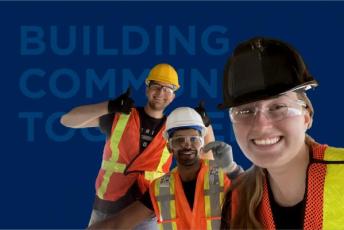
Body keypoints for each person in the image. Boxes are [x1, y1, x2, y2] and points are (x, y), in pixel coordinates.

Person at [60, 63, 215, 228]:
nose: (161, 93)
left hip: (148, 210)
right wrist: (109, 106)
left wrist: (206, 125)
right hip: (107, 205)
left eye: (168, 89)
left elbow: (208, 163)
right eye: (156, 86)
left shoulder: (175, 128)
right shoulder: (121, 116)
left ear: (173, 96)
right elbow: (67, 120)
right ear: (147, 89)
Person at [218, 37, 344, 229]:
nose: (261, 125)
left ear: (306, 116)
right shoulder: (236, 201)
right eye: (245, 111)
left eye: (278, 107)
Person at [88, 107, 243, 230]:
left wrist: (233, 169)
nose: (187, 144)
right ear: (168, 146)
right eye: (179, 140)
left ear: (202, 143)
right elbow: (118, 224)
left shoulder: (222, 175)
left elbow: (256, 196)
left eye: (194, 139)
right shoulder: (161, 188)